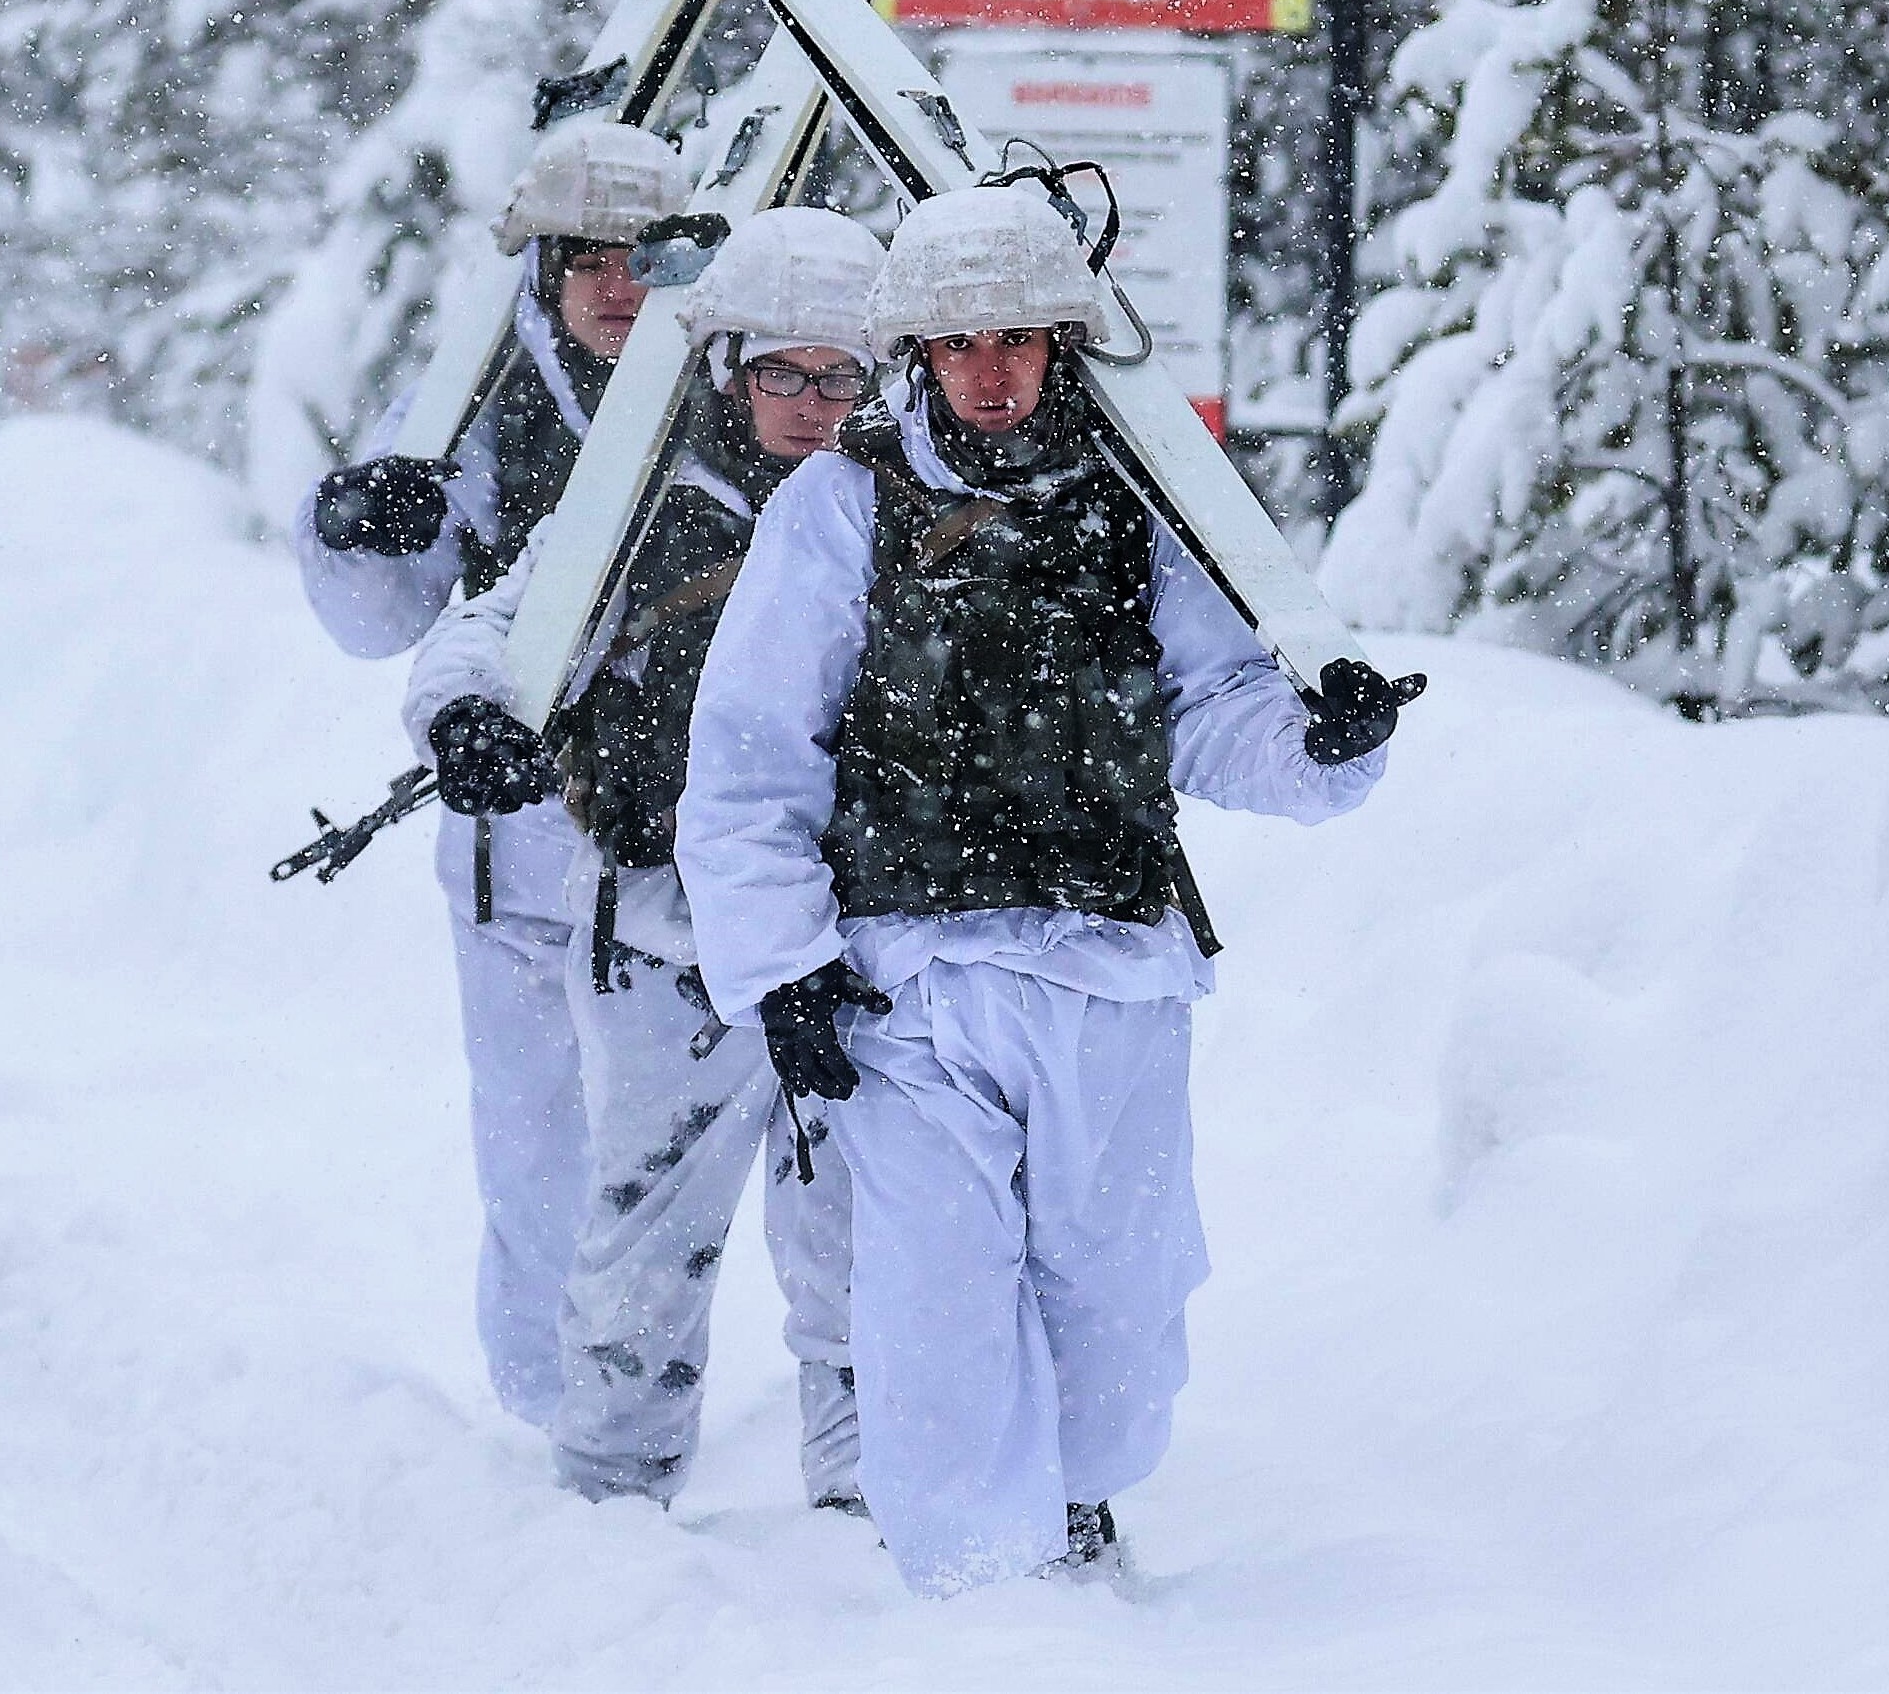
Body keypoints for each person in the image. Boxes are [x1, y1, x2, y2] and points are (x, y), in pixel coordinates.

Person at [680, 184, 1413, 1594]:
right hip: (907, 983)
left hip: (1110, 964)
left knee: (1114, 1294)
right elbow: (754, 756)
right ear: (917, 351)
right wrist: (783, 968)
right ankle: (978, 1595)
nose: (991, 371)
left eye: (1015, 336)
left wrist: (1319, 745)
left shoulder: (1141, 505)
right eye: (960, 342)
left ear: (1060, 343)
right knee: (937, 1295)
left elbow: (1208, 708)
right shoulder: (839, 507)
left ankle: (1077, 1508)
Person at [404, 208, 889, 1508]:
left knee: (864, 1243)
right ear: (726, 365)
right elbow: (499, 623)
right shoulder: (639, 500)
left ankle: (871, 1512)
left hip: (855, 944)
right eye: (780, 371)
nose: (809, 404)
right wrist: (465, 714)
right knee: (643, 1243)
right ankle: (611, 1509)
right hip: (670, 937)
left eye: (836, 375)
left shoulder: (902, 509)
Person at [290, 114, 684, 1430]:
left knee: (681, 1153)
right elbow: (376, 621)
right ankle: (550, 1415)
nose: (617, 288)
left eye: (643, 258)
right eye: (589, 261)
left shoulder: (742, 383)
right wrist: (356, 526)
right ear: (541, 267)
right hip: (514, 831)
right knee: (535, 1142)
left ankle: (679, 1410)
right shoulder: (471, 398)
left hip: (698, 826)